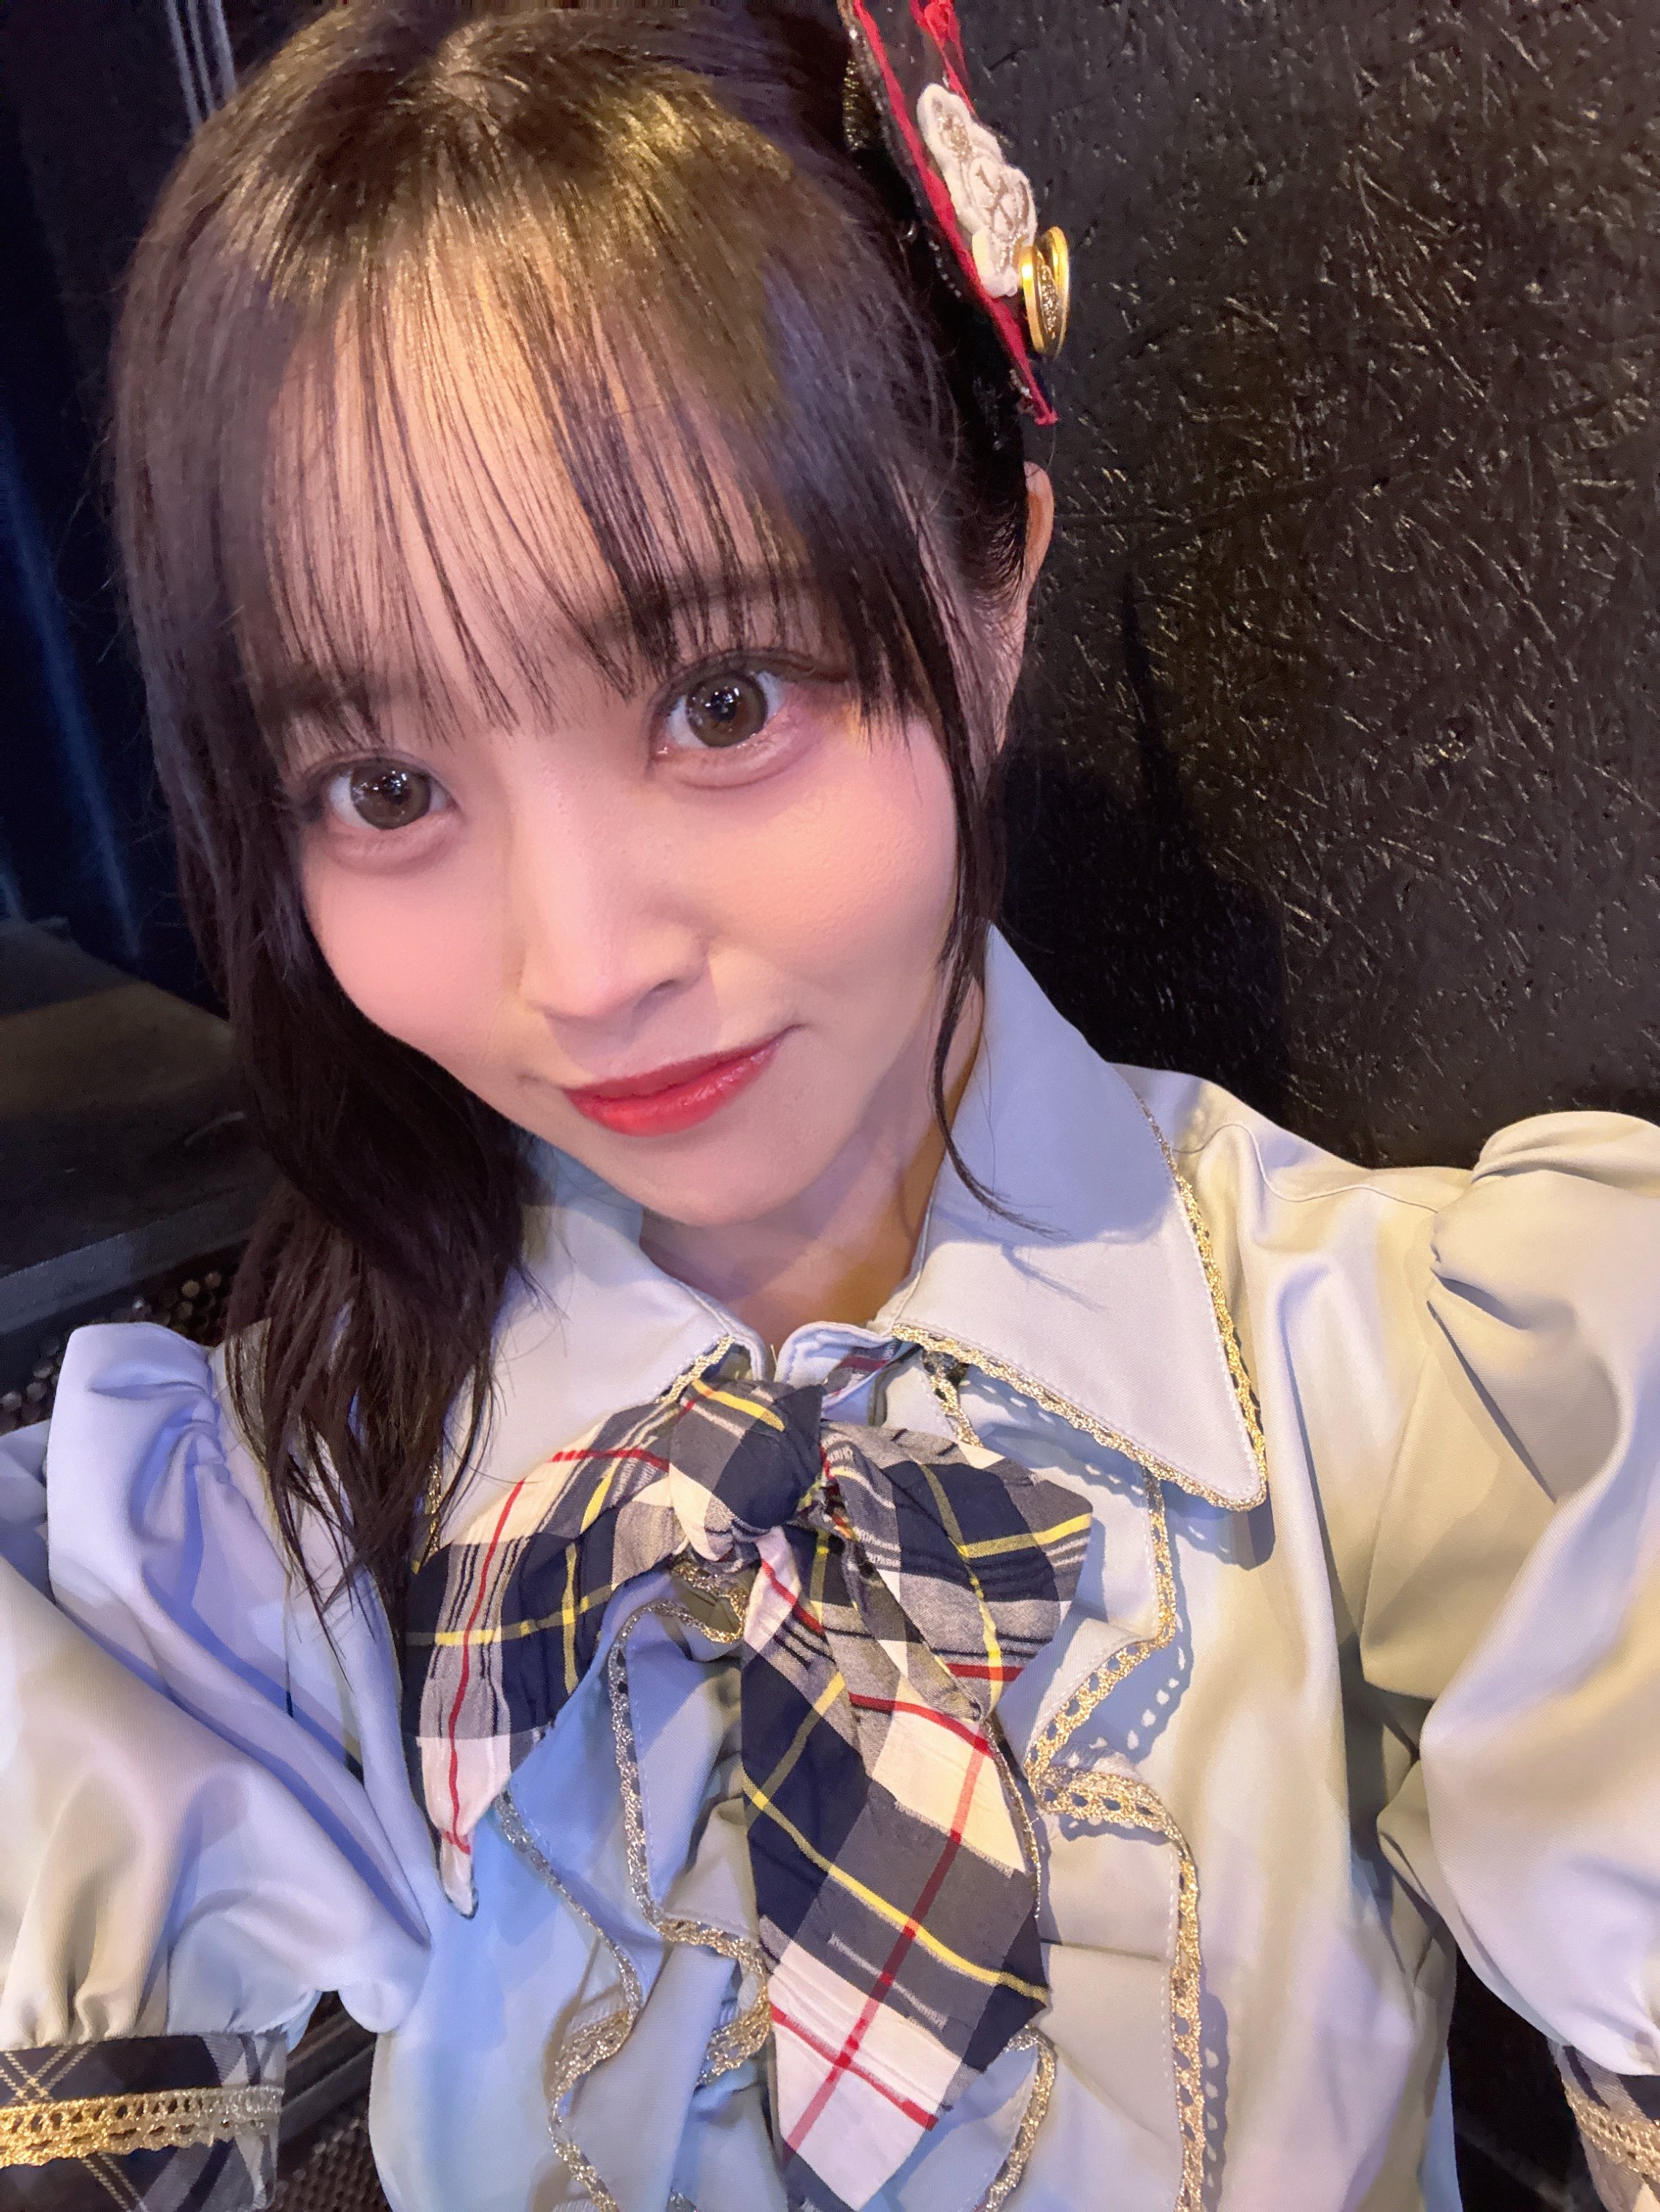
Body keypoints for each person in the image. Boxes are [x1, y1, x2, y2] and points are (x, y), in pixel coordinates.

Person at [3, 2, 1659, 2208]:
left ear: (994, 599)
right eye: (385, 787)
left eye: (722, 698)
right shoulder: (300, 1472)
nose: (584, 965)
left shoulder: (1414, 1388)